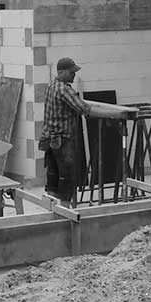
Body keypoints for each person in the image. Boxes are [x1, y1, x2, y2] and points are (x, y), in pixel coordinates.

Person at [38, 56, 91, 206]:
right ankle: (65, 210)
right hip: (62, 140)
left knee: (53, 176)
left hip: (49, 139)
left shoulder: (51, 85)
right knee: (67, 177)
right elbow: (83, 108)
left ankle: (52, 208)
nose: (74, 75)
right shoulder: (64, 89)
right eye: (71, 72)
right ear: (61, 72)